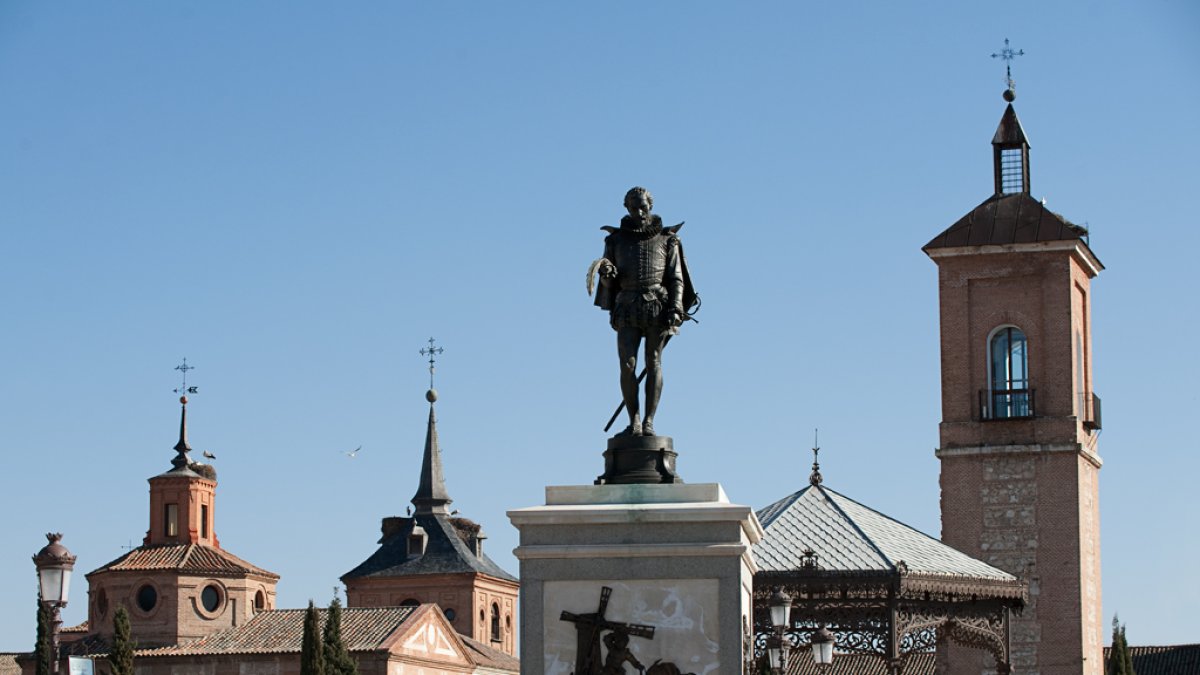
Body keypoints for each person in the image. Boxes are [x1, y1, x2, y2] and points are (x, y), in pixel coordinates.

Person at [592, 187, 695, 437]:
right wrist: (606, 277)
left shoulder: (668, 239)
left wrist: (676, 306)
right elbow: (609, 283)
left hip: (656, 307)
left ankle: (649, 421)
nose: (639, 211)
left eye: (643, 206)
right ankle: (634, 420)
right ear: (626, 208)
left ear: (650, 205)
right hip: (626, 306)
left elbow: (676, 278)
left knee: (654, 361)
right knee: (627, 365)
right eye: (633, 207)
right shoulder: (615, 241)